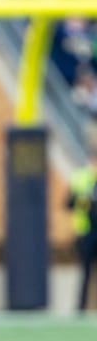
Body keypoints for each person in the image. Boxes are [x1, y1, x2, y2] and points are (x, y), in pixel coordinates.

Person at [67, 131, 97, 312]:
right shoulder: (82, 178)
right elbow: (69, 203)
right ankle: (81, 307)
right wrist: (84, 200)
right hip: (87, 234)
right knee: (85, 273)